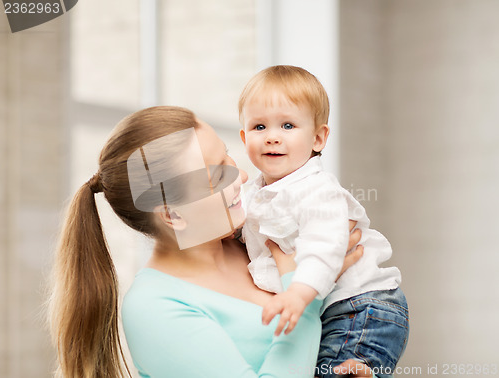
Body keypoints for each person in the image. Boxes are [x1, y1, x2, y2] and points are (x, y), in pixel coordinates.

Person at [48, 106, 372, 378]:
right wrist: (305, 297)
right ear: (173, 215)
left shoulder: (257, 240)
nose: (243, 177)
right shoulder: (154, 309)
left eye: (228, 156)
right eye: (217, 177)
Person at [238, 65, 409, 377]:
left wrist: (298, 293)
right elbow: (244, 228)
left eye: (287, 125)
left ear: (318, 138)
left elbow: (324, 246)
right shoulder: (254, 193)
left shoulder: (317, 190)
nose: (272, 138)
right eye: (259, 127)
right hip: (335, 309)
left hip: (361, 307)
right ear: (244, 136)